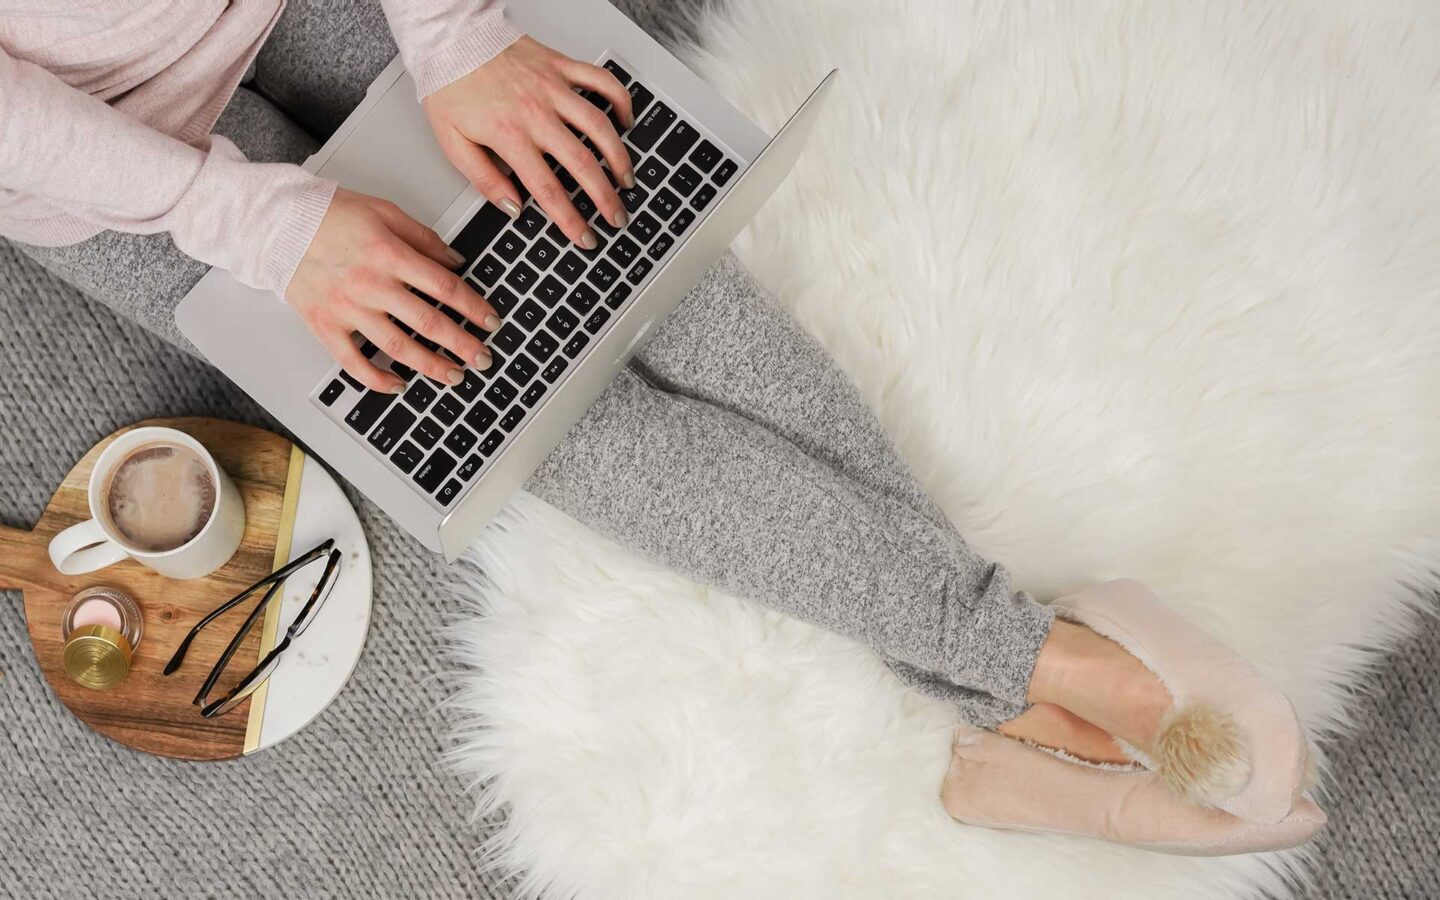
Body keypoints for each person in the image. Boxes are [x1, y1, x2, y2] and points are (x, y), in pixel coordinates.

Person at [0, 0, 1320, 852]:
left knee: (639, 247)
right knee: (534, 411)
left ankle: (1006, 704)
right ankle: (1046, 672)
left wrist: (456, 32)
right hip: (104, 161)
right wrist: (255, 221)